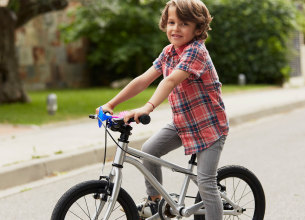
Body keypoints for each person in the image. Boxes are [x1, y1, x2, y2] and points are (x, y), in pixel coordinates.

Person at [97, 0, 228, 219]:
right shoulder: (169, 52)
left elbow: (170, 81)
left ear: (198, 28)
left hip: (209, 127)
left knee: (206, 183)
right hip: (182, 123)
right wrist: (111, 104)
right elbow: (143, 80)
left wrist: (147, 108)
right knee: (149, 150)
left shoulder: (196, 51)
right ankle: (155, 203)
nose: (175, 28)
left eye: (184, 24)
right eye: (171, 22)